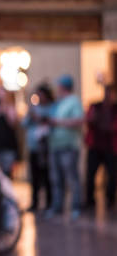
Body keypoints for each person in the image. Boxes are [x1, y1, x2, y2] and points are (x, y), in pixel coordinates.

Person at [46, 74, 84, 220]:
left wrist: (58, 122)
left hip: (69, 146)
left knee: (72, 177)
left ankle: (76, 207)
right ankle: (57, 207)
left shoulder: (74, 102)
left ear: (63, 87)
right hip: (55, 145)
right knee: (56, 178)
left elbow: (79, 120)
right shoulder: (58, 102)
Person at [84, 83, 117, 211]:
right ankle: (90, 200)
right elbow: (88, 120)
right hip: (96, 145)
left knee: (112, 174)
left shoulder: (114, 109)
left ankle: (110, 199)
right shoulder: (96, 106)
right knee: (90, 173)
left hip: (110, 147)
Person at [22, 84, 54, 212]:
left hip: (46, 148)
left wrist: (41, 118)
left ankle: (49, 202)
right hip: (34, 147)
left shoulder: (51, 108)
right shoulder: (33, 109)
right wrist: (30, 115)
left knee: (47, 175)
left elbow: (52, 123)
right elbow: (23, 124)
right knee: (34, 176)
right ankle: (35, 202)